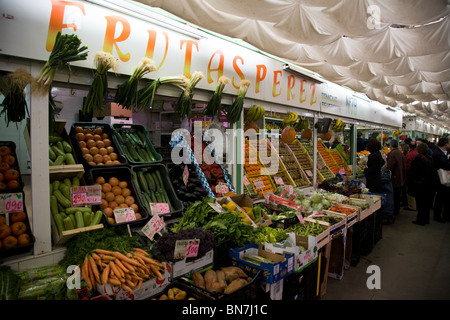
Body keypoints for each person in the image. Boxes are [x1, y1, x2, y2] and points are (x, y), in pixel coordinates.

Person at [407, 143, 434, 225]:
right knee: (426, 204)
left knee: (420, 203)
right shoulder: (430, 158)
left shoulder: (417, 159)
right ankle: (426, 219)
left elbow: (413, 173)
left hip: (420, 185)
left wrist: (412, 182)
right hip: (429, 184)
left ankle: (420, 220)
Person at [383, 139, 406, 216]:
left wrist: (384, 169)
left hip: (395, 178)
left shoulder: (393, 154)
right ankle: (397, 210)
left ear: (391, 145)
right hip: (400, 178)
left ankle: (394, 211)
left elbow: (389, 167)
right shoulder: (400, 153)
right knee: (397, 195)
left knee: (394, 195)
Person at [431, 137, 450, 222]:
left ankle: (444, 216)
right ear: (446, 144)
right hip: (440, 180)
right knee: (440, 198)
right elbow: (445, 165)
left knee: (444, 198)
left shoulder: (444, 152)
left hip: (444, 179)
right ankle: (438, 216)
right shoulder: (437, 154)